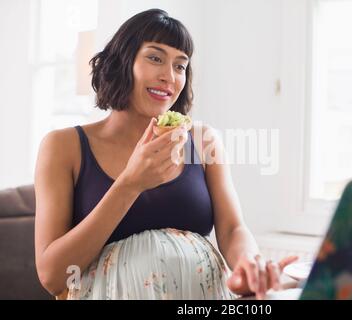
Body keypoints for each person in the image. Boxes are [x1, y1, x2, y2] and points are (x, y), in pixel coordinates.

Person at [34, 8, 297, 300]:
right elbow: (52, 275)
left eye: (180, 66)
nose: (169, 76)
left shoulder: (203, 141)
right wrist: (130, 184)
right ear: (123, 62)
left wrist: (250, 263)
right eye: (155, 58)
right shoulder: (63, 146)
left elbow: (233, 229)